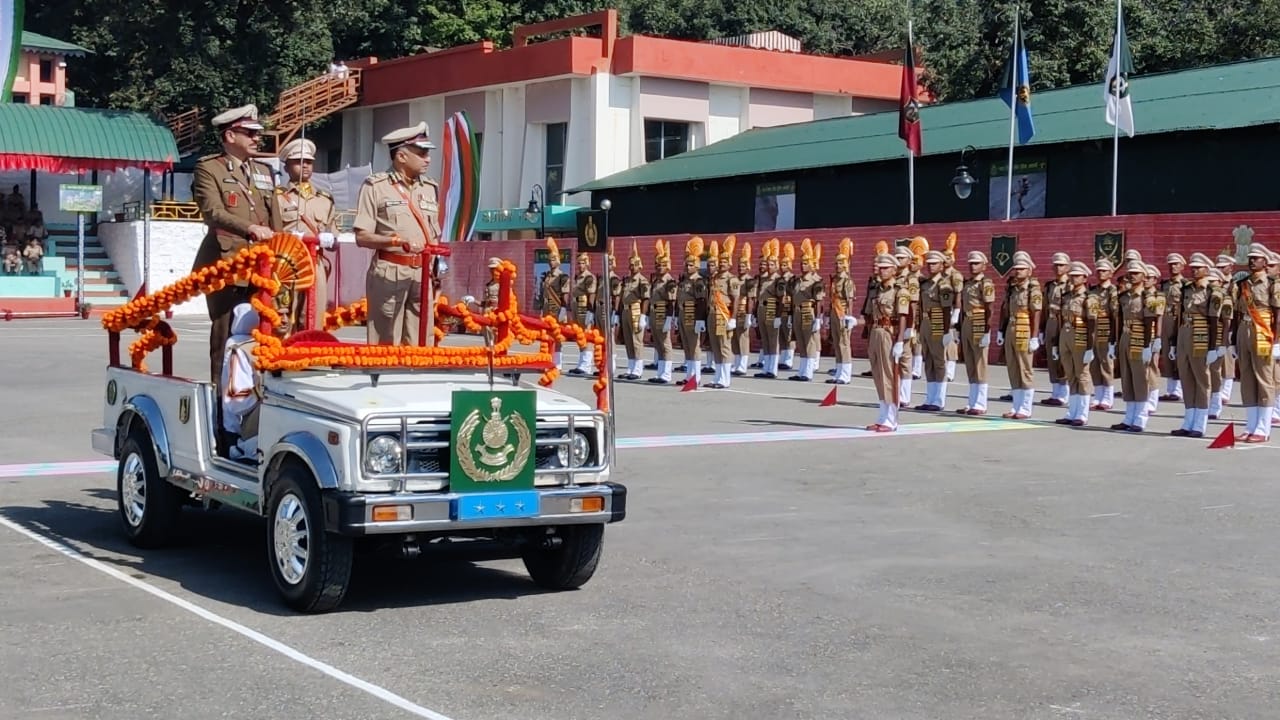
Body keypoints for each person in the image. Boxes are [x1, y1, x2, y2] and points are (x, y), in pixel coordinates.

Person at [191, 104, 282, 398]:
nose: (258, 139)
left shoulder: (264, 170)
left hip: (263, 266)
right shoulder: (209, 168)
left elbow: (275, 219)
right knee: (225, 336)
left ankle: (260, 398)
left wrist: (280, 251)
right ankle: (221, 404)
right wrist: (249, 228)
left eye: (258, 133)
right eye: (250, 133)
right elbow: (212, 211)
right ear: (230, 135)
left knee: (266, 332)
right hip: (226, 264)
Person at [353, 122, 442, 346]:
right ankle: (382, 379)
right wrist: (395, 241)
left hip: (423, 272)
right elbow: (362, 236)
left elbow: (434, 234)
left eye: (427, 154)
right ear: (401, 156)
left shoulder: (430, 187)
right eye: (422, 153)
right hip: (390, 270)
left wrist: (437, 270)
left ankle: (419, 378)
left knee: (422, 339)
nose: (428, 159)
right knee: (385, 338)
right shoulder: (376, 186)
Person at [275, 138, 337, 330]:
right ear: (286, 167)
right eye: (298, 162)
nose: (305, 167)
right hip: (285, 263)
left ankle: (310, 355)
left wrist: (330, 239)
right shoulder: (276, 197)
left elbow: (334, 236)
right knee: (283, 315)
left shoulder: (324, 199)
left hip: (315, 262)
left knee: (313, 315)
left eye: (308, 162)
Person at [1232, 243, 1280, 442]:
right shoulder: (1242, 283)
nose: (1252, 261)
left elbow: (1278, 314)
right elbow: (1236, 312)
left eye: (1257, 258)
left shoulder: (1272, 283)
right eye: (1250, 258)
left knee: (1264, 379)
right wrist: (1233, 338)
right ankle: (1250, 425)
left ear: (1265, 262)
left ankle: (1263, 427)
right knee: (1248, 379)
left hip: (1263, 331)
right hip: (1244, 329)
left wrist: (1277, 341)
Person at [1112, 261, 1162, 432]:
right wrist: (1115, 342)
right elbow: (1118, 319)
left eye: (1136, 273)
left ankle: (1140, 418)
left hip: (1140, 339)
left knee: (1140, 378)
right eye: (1130, 273)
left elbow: (1149, 321)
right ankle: (1128, 417)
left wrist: (1149, 345)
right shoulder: (1124, 296)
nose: (1132, 276)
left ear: (1143, 276)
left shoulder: (1148, 297)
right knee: (1127, 378)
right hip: (1125, 337)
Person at [1171, 253, 1216, 438]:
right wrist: (1174, 342)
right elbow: (1179, 315)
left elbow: (1214, 319)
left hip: (1201, 335)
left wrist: (1214, 346)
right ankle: (1188, 420)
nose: (1194, 270)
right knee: (1186, 378)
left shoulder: (1213, 290)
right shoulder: (1186, 288)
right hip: (1184, 333)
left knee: (1201, 379)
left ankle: (1200, 423)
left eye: (1198, 267)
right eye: (1193, 267)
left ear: (1207, 269)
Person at [866, 253, 910, 432]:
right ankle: (882, 416)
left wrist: (900, 340)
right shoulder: (877, 290)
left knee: (888, 376)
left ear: (894, 270)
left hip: (888, 334)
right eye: (881, 267)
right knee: (877, 375)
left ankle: (891, 419)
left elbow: (903, 317)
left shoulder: (900, 290)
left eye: (886, 268)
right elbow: (870, 314)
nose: (882, 271)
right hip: (875, 332)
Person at [1055, 262, 1100, 427]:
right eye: (1072, 275)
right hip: (1065, 335)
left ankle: (1082, 413)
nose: (1073, 278)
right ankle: (1071, 411)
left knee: (1082, 375)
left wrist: (1090, 347)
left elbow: (1092, 323)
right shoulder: (1066, 296)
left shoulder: (1090, 297)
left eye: (1077, 275)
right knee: (1070, 374)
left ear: (1085, 278)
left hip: (1080, 336)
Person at [1001, 251, 1043, 419]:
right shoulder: (1012, 289)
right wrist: (1001, 331)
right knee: (1013, 368)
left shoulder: (1033, 289)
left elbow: (1036, 313)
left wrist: (1034, 336)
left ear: (1029, 271)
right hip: (1011, 328)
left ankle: (1025, 407)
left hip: (1024, 329)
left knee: (1025, 368)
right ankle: (1016, 406)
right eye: (1016, 269)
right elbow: (1006, 310)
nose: (1018, 272)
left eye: (1022, 269)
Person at [222, 304, 265, 461]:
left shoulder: (267, 344)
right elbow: (237, 401)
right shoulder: (239, 349)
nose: (284, 320)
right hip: (242, 431)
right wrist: (263, 390)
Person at [956, 250, 995, 415]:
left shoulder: (985, 283)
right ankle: (972, 402)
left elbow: (990, 309)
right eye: (971, 263)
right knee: (970, 364)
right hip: (967, 321)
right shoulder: (968, 283)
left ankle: (980, 403)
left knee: (980, 363)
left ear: (984, 266)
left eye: (976, 263)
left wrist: (987, 331)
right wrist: (958, 328)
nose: (972, 266)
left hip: (979, 321)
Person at [788, 239, 824, 382]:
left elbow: (819, 300)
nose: (803, 266)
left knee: (809, 341)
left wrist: (818, 319)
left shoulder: (816, 281)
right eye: (802, 263)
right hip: (797, 311)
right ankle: (802, 370)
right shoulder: (798, 281)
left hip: (808, 311)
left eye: (806, 263)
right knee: (800, 341)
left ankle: (808, 371)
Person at [706, 238, 739, 389]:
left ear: (729, 263)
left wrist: (732, 318)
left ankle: (725, 379)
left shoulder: (731, 279)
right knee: (715, 345)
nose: (721, 264)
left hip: (723, 314)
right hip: (712, 313)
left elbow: (736, 298)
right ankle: (717, 376)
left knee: (724, 346)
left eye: (724, 262)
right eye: (720, 261)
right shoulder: (715, 278)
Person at [1088, 259, 1120, 411]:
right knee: (1094, 364)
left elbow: (1115, 315)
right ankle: (1098, 395)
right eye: (1099, 270)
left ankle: (1108, 396)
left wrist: (1114, 338)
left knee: (1106, 364)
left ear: (1111, 273)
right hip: (1094, 330)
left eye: (1104, 271)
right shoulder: (1093, 291)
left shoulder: (1113, 291)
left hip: (1106, 330)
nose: (1101, 273)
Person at [675, 237, 708, 382]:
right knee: (687, 346)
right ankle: (689, 376)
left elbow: (701, 301)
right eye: (686, 265)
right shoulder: (684, 281)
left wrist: (700, 320)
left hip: (692, 315)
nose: (688, 268)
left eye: (691, 265)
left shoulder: (698, 281)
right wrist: (676, 316)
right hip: (683, 314)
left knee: (694, 346)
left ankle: (696, 377)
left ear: (697, 266)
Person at [1041, 253, 1072, 406]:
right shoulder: (1050, 286)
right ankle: (1055, 392)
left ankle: (1064, 393)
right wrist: (1041, 329)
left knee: (1063, 357)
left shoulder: (1070, 285)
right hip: (1051, 322)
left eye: (1062, 265)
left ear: (1068, 267)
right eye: (1056, 265)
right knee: (1051, 356)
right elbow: (1044, 308)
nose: (1058, 268)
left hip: (1064, 322)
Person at [617, 243, 651, 380]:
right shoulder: (627, 280)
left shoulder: (642, 280)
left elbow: (646, 298)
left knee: (637, 341)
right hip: (625, 311)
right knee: (628, 340)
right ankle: (630, 367)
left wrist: (643, 315)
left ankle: (638, 369)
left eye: (635, 265)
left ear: (640, 266)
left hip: (636, 310)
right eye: (631, 265)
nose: (632, 267)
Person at [827, 239, 857, 386]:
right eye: (836, 263)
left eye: (841, 263)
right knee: (837, 343)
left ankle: (846, 373)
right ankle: (839, 371)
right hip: (834, 311)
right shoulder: (835, 280)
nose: (838, 266)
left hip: (842, 313)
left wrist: (849, 317)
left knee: (844, 343)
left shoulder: (847, 281)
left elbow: (850, 300)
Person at [538, 237, 571, 369]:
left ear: (558, 260)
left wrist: (563, 309)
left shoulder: (562, 276)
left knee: (557, 335)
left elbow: (565, 293)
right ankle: (547, 358)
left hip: (556, 307)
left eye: (553, 259)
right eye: (549, 260)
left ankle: (557, 361)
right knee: (546, 334)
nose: (551, 262)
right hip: (547, 308)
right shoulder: (547, 276)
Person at [1160, 253, 1189, 401]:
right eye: (1171, 264)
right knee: (1166, 353)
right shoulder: (1164, 285)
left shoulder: (1185, 285)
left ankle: (1179, 389)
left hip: (1178, 320)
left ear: (1182, 266)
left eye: (1176, 264)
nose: (1173, 267)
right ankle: (1171, 389)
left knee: (1179, 353)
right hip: (1165, 319)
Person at [646, 240, 677, 384]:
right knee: (658, 344)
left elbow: (671, 302)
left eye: (663, 265)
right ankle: (660, 372)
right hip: (654, 313)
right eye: (657, 265)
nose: (659, 268)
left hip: (663, 313)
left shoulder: (669, 281)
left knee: (665, 344)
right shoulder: (656, 281)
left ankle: (666, 373)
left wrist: (669, 319)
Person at [754, 240, 782, 379]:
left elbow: (781, 299)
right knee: (765, 340)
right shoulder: (763, 279)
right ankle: (766, 367)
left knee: (773, 340)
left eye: (772, 265)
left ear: (776, 266)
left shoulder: (779, 280)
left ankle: (773, 368)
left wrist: (778, 316)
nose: (769, 267)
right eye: (768, 264)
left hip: (772, 309)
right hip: (761, 309)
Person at [568, 252, 598, 376]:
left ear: (587, 264)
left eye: (583, 263)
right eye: (579, 263)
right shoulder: (578, 277)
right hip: (576, 306)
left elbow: (591, 294)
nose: (580, 265)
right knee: (579, 335)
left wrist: (590, 311)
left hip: (584, 307)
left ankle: (586, 364)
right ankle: (581, 362)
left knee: (586, 335)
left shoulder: (589, 277)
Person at [733, 241, 757, 376]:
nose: (741, 268)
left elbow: (751, 299)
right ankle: (736, 363)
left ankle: (742, 364)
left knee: (743, 337)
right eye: (739, 265)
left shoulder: (750, 280)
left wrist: (749, 315)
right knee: (734, 338)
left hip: (743, 311)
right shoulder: (735, 279)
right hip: (735, 312)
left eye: (743, 265)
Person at [777, 242, 797, 370]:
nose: (783, 267)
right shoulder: (779, 279)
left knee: (790, 335)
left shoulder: (793, 279)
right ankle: (783, 358)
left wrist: (792, 313)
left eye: (785, 265)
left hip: (789, 308)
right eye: (781, 264)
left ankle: (789, 359)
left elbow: (794, 295)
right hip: (781, 309)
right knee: (782, 335)